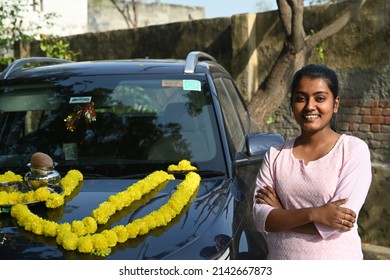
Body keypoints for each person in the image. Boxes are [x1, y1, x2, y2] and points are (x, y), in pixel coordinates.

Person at [252, 64, 372, 260]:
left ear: (335, 104)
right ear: (292, 105)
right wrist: (315, 213)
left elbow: (339, 221)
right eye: (301, 98)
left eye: (320, 98)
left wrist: (281, 214)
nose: (309, 106)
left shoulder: (352, 150)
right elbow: (260, 218)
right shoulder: (275, 155)